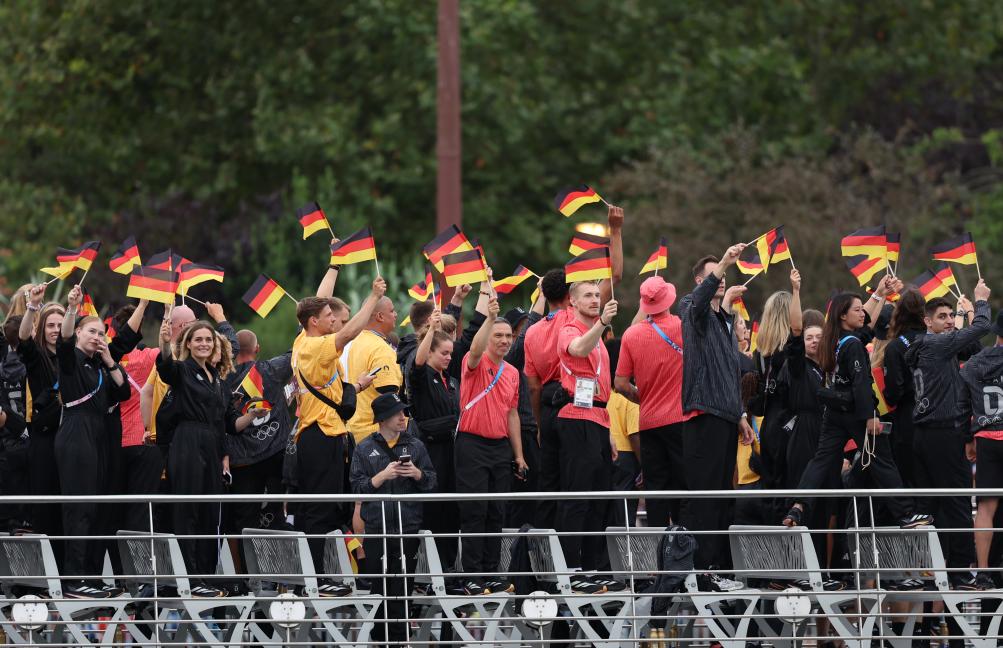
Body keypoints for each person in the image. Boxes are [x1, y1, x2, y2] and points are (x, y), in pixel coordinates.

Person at [783, 291, 932, 530]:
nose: (862, 313)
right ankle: (905, 514)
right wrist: (869, 416)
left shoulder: (833, 340)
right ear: (843, 315)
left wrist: (880, 294)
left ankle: (798, 505)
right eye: (857, 310)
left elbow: (867, 330)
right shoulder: (852, 345)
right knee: (882, 460)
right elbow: (861, 382)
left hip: (833, 412)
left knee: (821, 460)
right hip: (856, 412)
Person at [155, 314, 263, 596]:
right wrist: (165, 344)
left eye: (208, 339)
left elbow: (231, 424)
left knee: (208, 513)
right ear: (188, 344)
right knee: (187, 511)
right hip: (187, 442)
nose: (204, 344)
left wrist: (251, 415)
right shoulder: (182, 370)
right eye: (198, 339)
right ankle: (188, 579)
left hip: (212, 447)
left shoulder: (218, 379)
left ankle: (203, 576)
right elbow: (166, 368)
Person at [292, 280, 383, 580]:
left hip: (324, 434)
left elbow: (314, 303)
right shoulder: (317, 346)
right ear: (314, 322)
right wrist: (373, 297)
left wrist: (356, 386)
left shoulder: (302, 341)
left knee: (324, 510)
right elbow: (349, 332)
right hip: (320, 436)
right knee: (318, 512)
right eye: (330, 316)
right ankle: (316, 580)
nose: (335, 320)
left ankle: (319, 576)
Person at [906, 280, 992, 589]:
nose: (946, 321)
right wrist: (979, 303)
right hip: (942, 432)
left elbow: (974, 349)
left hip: (924, 434)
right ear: (927, 321)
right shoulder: (936, 344)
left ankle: (933, 575)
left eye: (948, 316)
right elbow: (983, 327)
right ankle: (959, 575)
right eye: (940, 317)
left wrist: (961, 318)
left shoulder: (920, 345)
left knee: (933, 507)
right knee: (956, 501)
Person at [678, 245, 754, 578]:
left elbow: (727, 372)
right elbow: (698, 302)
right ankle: (702, 569)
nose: (721, 280)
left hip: (725, 416)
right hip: (703, 416)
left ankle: (718, 569)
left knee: (723, 498)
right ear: (700, 280)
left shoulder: (723, 321)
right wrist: (723, 263)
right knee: (705, 499)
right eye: (713, 276)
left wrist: (740, 415)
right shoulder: (690, 308)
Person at [56, 285, 131, 598]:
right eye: (92, 332)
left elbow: (124, 391)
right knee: (80, 507)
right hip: (76, 432)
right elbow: (63, 340)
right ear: (79, 333)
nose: (98, 337)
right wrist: (72, 309)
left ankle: (91, 576)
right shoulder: (70, 358)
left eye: (102, 332)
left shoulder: (101, 364)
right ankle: (74, 579)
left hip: (99, 435)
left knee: (97, 509)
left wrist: (110, 359)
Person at [350, 392, 436, 646]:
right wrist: (382, 477)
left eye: (404, 412)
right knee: (380, 588)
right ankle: (380, 640)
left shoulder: (416, 446)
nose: (403, 417)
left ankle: (401, 640)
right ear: (383, 418)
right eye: (398, 413)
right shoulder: (364, 448)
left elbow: (432, 483)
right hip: (377, 528)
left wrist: (417, 474)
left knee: (404, 587)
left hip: (407, 526)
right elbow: (355, 489)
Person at [455, 293, 526, 596]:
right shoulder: (474, 362)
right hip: (471, 443)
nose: (504, 341)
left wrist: (519, 455)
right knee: (475, 510)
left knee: (497, 511)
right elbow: (472, 347)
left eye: (508, 336)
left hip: (499, 447)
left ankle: (492, 572)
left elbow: (512, 414)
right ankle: (472, 574)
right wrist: (488, 318)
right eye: (498, 335)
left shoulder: (512, 373)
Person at [555, 280, 618, 592]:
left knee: (599, 497)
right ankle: (571, 567)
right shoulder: (570, 328)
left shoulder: (597, 335)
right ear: (573, 302)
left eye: (597, 295)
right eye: (588, 296)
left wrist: (608, 432)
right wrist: (604, 322)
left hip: (598, 416)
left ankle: (592, 566)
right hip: (576, 416)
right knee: (578, 495)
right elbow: (578, 349)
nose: (595, 300)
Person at [615, 276, 693, 530]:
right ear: (669, 300)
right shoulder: (683, 328)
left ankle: (659, 547)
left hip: (648, 422)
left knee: (655, 489)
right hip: (679, 419)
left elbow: (620, 383)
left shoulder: (631, 335)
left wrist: (642, 397)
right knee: (684, 486)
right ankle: (681, 546)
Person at [222, 329, 294, 560]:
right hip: (275, 456)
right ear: (258, 349)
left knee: (243, 519)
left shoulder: (223, 379)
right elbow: (300, 351)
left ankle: (244, 579)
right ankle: (278, 577)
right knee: (275, 515)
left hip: (241, 462)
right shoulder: (271, 369)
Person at [408, 307, 460, 568]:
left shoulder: (448, 379)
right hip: (429, 450)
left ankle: (449, 568)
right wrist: (430, 331)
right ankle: (428, 569)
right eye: (444, 353)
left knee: (450, 509)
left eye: (451, 353)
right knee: (432, 509)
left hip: (451, 451)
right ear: (429, 352)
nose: (449, 358)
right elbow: (417, 364)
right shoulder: (422, 376)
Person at [17, 285, 67, 551]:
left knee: (68, 509)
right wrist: (33, 306)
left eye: (61, 324)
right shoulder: (37, 358)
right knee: (45, 508)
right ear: (43, 329)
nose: (56, 329)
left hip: (72, 440)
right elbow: (24, 340)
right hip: (45, 440)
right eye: (51, 325)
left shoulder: (75, 359)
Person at [110, 304, 164, 534]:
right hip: (143, 440)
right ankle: (138, 564)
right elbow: (173, 353)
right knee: (141, 511)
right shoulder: (150, 356)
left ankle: (119, 567)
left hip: (113, 443)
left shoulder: (106, 358)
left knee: (115, 511)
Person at [960, 311, 1003, 589]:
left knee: (985, 508)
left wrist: (968, 438)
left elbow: (963, 404)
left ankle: (983, 572)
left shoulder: (975, 362)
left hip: (986, 435)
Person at [881, 288, 928, 488]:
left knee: (909, 477)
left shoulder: (895, 347)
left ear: (898, 313)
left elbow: (893, 392)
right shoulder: (938, 341)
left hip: (908, 418)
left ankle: (916, 516)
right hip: (938, 416)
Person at [347, 292, 402, 446]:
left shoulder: (354, 342)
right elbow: (389, 398)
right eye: (392, 311)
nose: (396, 314)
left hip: (354, 431)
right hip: (378, 436)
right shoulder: (380, 348)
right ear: (380, 316)